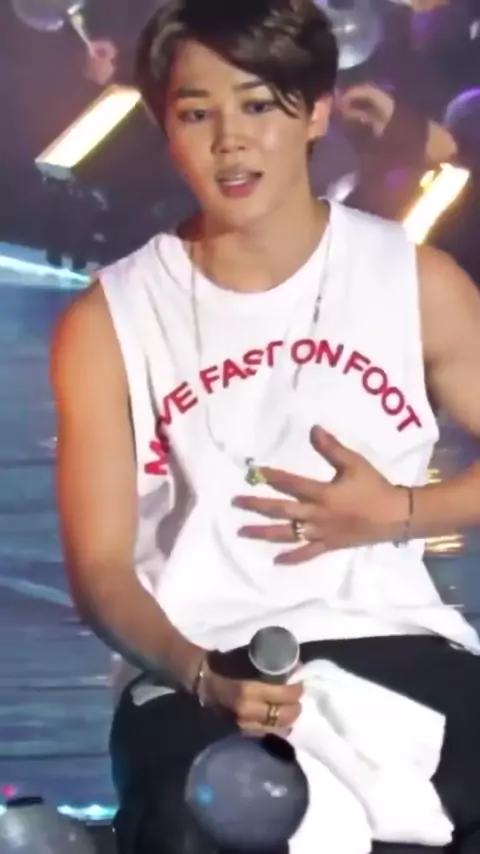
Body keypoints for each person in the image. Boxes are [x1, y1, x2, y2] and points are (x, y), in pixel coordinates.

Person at [50, 0, 480, 852]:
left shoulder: (414, 281)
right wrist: (199, 674)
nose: (230, 141)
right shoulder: (111, 319)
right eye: (196, 113)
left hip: (394, 637)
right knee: (199, 820)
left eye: (258, 105)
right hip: (199, 660)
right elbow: (100, 571)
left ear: (316, 110)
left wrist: (398, 513)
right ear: (163, 125)